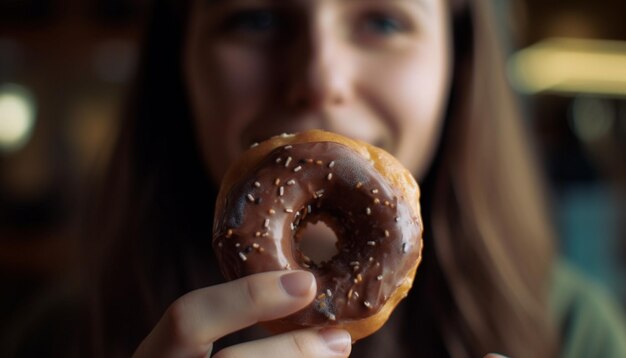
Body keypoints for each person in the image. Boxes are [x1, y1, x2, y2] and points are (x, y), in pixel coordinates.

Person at [6, 0, 626, 357]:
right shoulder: (56, 341)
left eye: (383, 21)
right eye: (255, 18)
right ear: (178, 66)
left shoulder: (573, 334)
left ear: (456, 67)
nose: (319, 75)